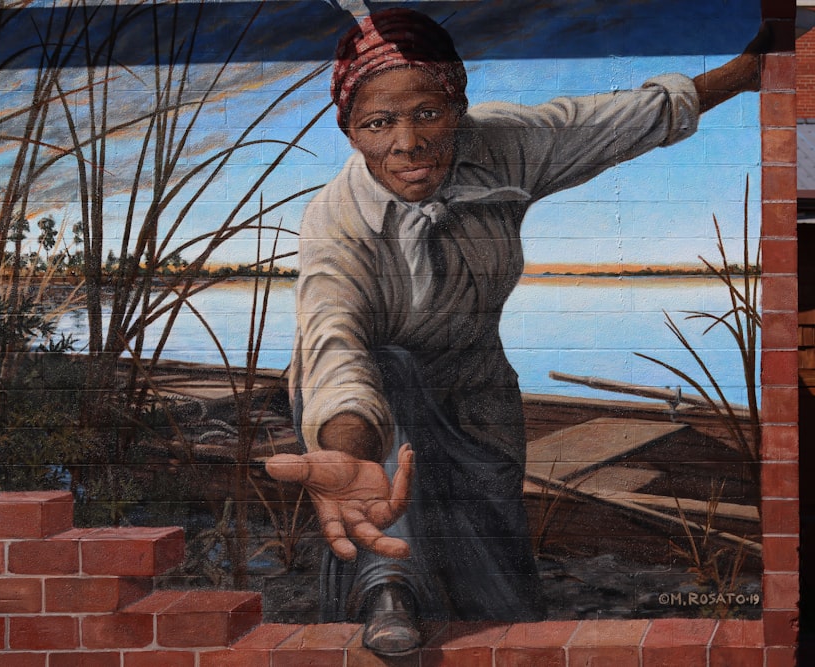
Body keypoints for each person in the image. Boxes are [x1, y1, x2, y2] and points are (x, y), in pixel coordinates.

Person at [265, 7, 765, 657]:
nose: (407, 142)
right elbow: (337, 345)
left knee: (500, 594)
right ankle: (386, 591)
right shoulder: (337, 220)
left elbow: (616, 121)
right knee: (390, 376)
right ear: (352, 131)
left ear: (457, 103)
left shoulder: (502, 143)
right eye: (378, 123)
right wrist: (349, 449)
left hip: (476, 394)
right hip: (370, 406)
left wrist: (745, 72)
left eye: (426, 113)